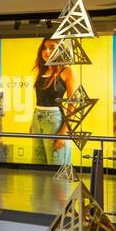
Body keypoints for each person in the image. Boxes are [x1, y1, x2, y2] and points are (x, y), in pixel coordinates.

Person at [31, 38, 74, 166]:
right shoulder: (41, 72)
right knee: (37, 166)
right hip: (37, 119)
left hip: (55, 121)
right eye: (44, 48)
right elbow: (40, 99)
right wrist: (33, 123)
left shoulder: (66, 71)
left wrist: (64, 132)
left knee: (56, 166)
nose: (47, 51)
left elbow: (73, 103)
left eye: (52, 47)